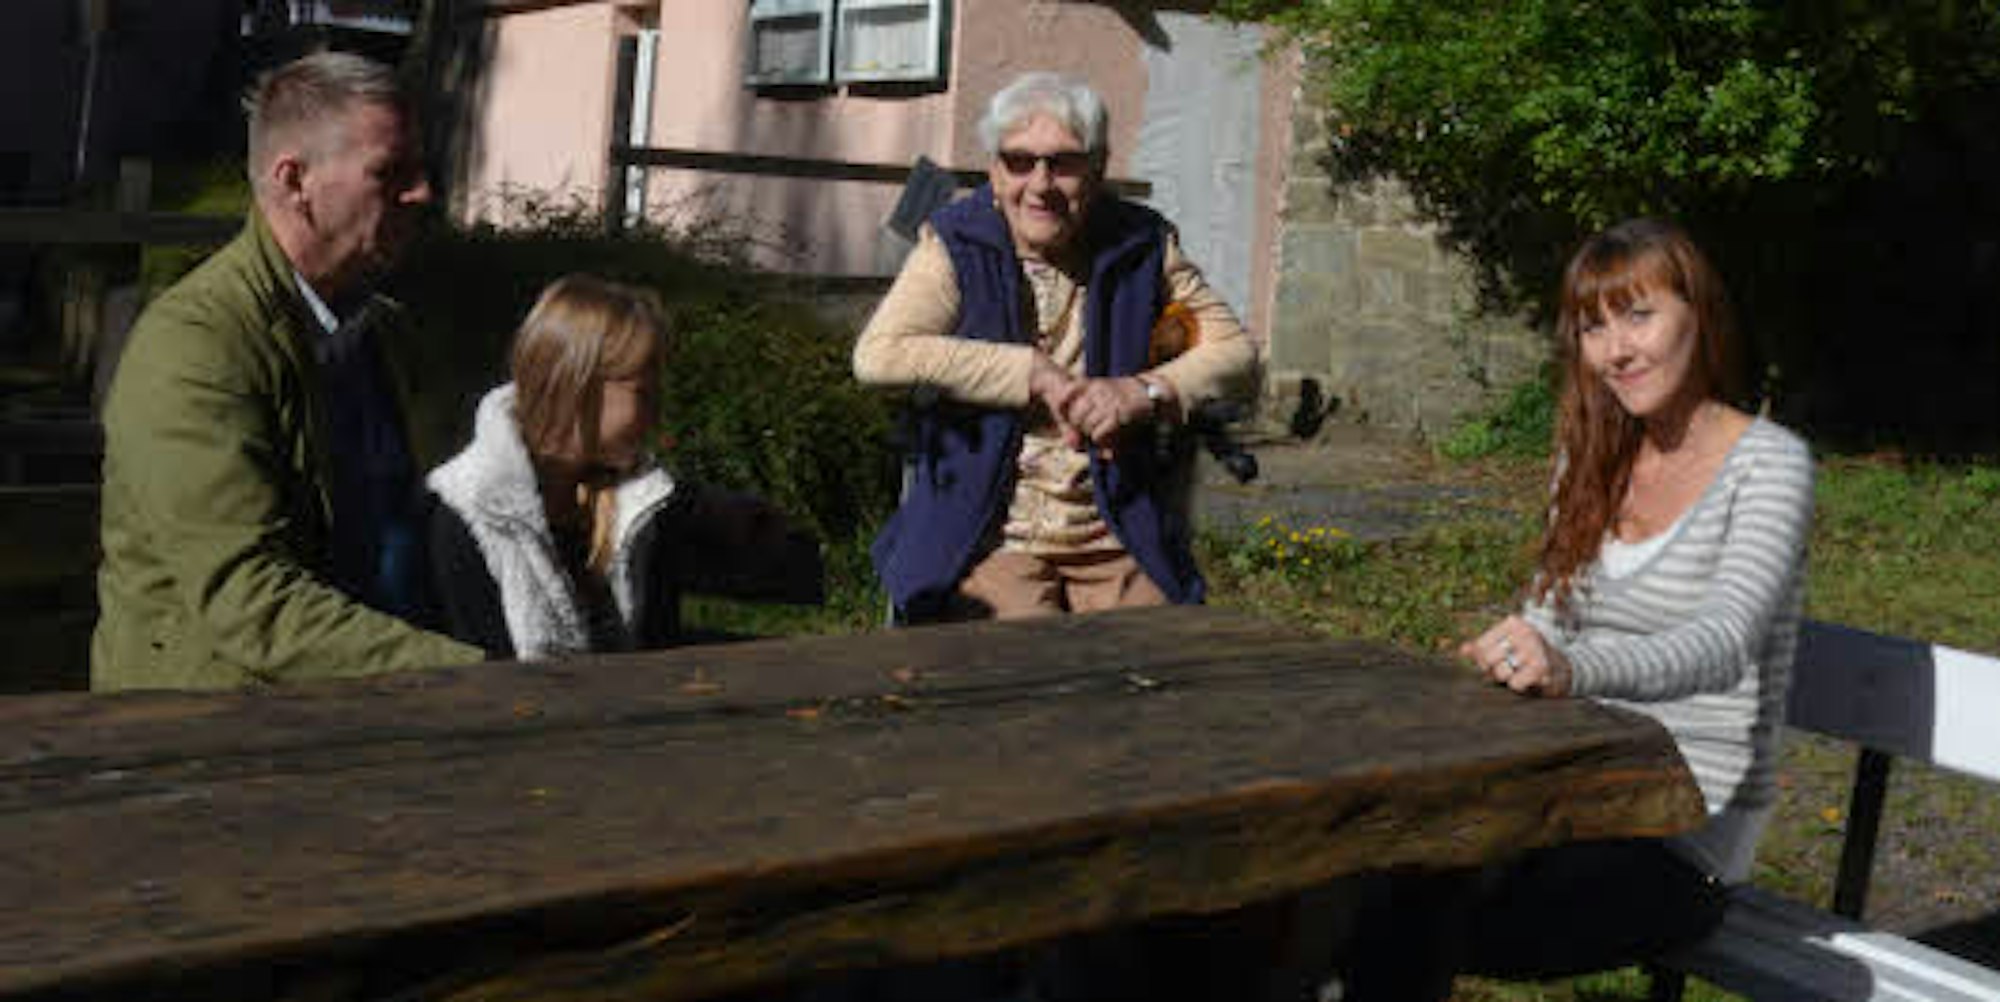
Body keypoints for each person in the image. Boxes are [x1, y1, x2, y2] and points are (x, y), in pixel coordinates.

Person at [1339, 218, 1817, 1001]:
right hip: (1570, 792)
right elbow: (1551, 613)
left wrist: (1571, 667)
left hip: (1680, 839)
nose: (1615, 350)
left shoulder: (1771, 463)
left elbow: (1726, 640)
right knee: (1363, 872)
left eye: (1639, 316)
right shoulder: (1594, 452)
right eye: (1593, 327)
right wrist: (1515, 646)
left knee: (1408, 912)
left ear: (1700, 314)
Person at [94, 51, 485, 691]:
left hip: (385, 698)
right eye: (390, 172)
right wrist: (472, 674)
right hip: (219, 723)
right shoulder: (196, 345)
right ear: (294, 180)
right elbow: (249, 602)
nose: (423, 193)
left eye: (420, 171)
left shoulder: (383, 332)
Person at [854, 71, 1256, 622]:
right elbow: (880, 355)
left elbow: (1234, 351)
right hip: (991, 532)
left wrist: (1143, 391)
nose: (1040, 184)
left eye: (1063, 163)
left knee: (1158, 652)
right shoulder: (956, 241)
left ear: (1098, 168)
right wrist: (1028, 372)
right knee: (1032, 658)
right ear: (995, 171)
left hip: (1116, 525)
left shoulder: (1141, 243)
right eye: (1019, 161)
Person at [423, 274, 822, 660]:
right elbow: (490, 678)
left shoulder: (640, 507)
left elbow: (659, 643)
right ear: (577, 385)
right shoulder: (470, 517)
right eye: (643, 392)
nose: (658, 410)